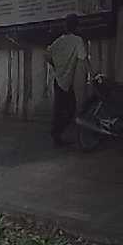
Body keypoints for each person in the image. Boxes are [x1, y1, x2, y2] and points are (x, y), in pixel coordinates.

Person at [46, 14, 90, 147]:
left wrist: (56, 66)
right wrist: (92, 75)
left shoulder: (59, 41)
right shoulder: (77, 41)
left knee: (59, 109)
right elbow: (83, 59)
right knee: (70, 109)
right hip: (65, 82)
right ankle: (56, 134)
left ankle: (56, 134)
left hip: (58, 80)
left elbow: (47, 55)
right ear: (77, 26)